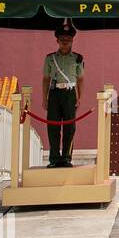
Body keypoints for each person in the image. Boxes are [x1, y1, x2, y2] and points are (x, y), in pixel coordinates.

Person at [42, 21, 84, 168]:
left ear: (72, 40)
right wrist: (44, 98)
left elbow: (80, 79)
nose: (65, 43)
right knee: (53, 126)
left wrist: (79, 97)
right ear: (57, 41)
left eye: (67, 40)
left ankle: (66, 158)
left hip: (70, 94)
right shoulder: (50, 58)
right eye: (62, 40)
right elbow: (46, 79)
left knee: (69, 127)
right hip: (54, 93)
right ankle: (54, 158)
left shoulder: (77, 59)